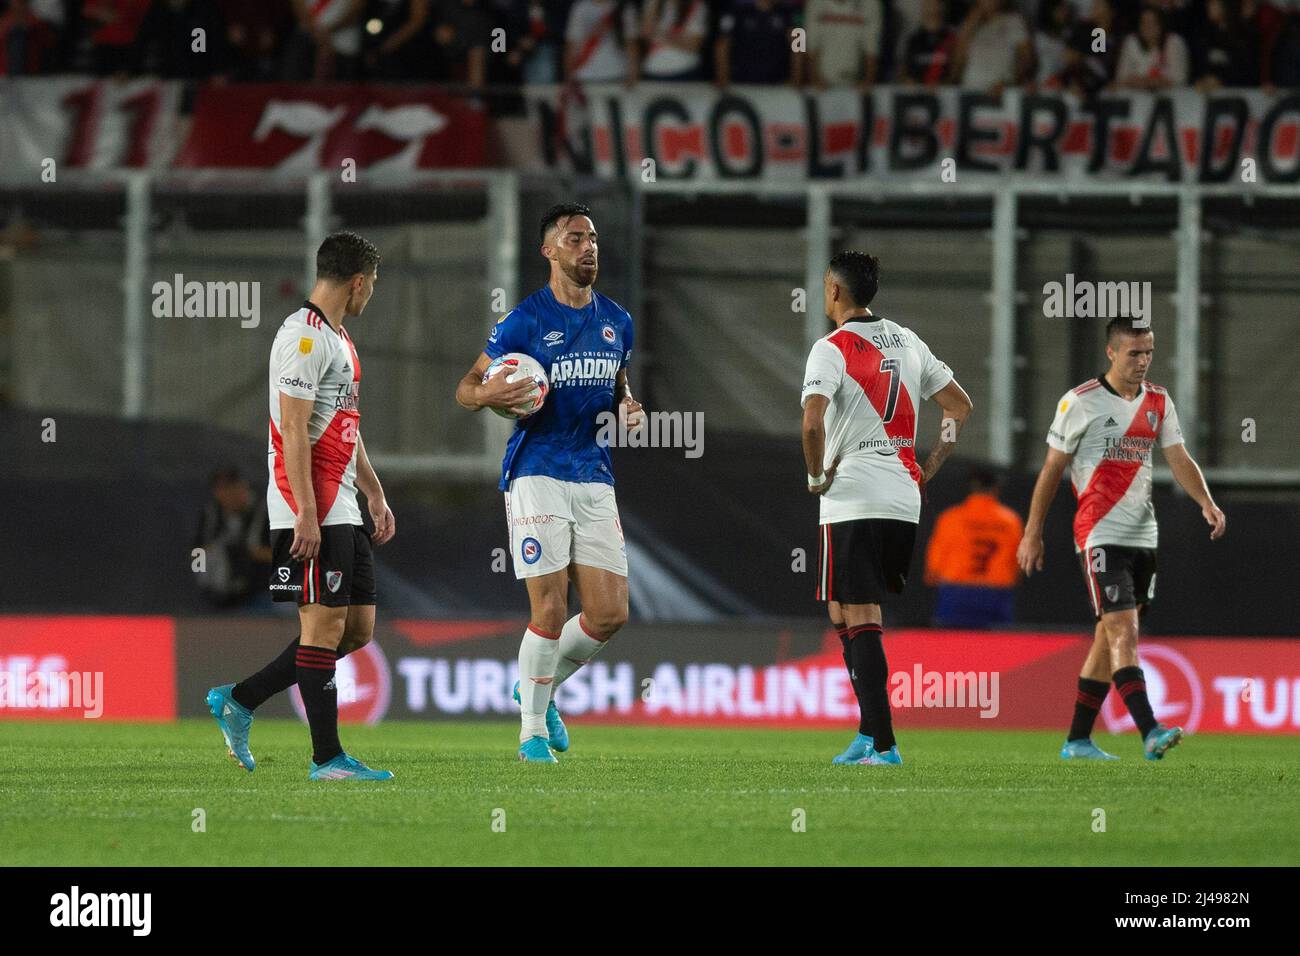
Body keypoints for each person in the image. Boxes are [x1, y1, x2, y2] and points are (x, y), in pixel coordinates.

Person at [206, 232, 398, 782]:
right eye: (373, 286)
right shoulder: (303, 338)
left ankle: (240, 699)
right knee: (321, 631)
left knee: (357, 629)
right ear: (358, 282)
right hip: (310, 506)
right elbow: (291, 429)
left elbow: (346, 426)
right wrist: (305, 515)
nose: (371, 295)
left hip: (343, 502)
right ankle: (327, 759)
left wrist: (375, 491)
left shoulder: (341, 338)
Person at [455, 203, 643, 763]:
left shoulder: (619, 320)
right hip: (536, 471)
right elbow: (466, 387)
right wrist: (487, 394)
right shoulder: (525, 321)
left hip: (593, 473)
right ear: (549, 250)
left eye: (593, 238)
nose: (589, 247)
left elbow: (618, 382)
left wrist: (628, 405)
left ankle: (536, 685)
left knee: (611, 614)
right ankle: (532, 731)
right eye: (575, 238)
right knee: (550, 610)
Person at [1016, 317, 1226, 762]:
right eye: (1134, 353)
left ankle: (1077, 740)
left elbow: (1178, 456)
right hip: (1099, 532)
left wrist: (1205, 501)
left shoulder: (1158, 400)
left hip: (1143, 534)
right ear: (1111, 353)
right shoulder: (1081, 402)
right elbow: (1053, 469)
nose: (1143, 361)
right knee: (1123, 629)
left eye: (1148, 352)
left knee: (1105, 637)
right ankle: (1149, 730)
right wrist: (1033, 530)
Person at [801, 251, 973, 767]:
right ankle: (865, 730)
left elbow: (812, 425)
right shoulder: (908, 340)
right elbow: (958, 407)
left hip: (853, 493)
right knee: (842, 610)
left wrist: (815, 477)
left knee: (860, 613)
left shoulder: (830, 348)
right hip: (903, 497)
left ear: (834, 291)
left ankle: (885, 744)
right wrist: (933, 463)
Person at [924, 465, 1022, 628]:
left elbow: (934, 567)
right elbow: (1019, 563)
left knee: (952, 647)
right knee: (997, 649)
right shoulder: (1010, 521)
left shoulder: (951, 518)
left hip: (956, 592)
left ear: (973, 487)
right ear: (996, 488)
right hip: (997, 593)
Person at [193, 466, 271, 609]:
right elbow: (197, 553)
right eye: (222, 490)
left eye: (232, 488)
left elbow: (282, 556)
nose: (228, 494)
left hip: (262, 592)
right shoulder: (211, 514)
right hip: (217, 593)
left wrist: (249, 553)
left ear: (244, 486)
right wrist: (202, 574)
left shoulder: (266, 510)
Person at [715, 0, 803, 87]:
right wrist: (722, 79)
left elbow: (799, 46)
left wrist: (796, 81)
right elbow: (722, 45)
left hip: (777, 83)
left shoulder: (791, 11)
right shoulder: (736, 9)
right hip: (741, 82)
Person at [951, 0, 1033, 93]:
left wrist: (1008, 82)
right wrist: (969, 26)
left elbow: (1026, 59)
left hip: (1000, 92)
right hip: (970, 92)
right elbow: (956, 66)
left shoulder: (1014, 21)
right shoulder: (968, 24)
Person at [805, 0, 884, 88]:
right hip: (822, 83)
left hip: (856, 82)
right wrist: (814, 79)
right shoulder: (815, 3)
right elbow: (810, 44)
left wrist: (868, 80)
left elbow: (872, 44)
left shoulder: (870, 3)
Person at [1115, 6, 1189, 89]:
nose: (1148, 27)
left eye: (1153, 22)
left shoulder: (1174, 41)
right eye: (1144, 23)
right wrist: (1135, 81)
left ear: (1161, 24)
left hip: (1170, 95)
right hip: (1135, 94)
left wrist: (1155, 82)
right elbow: (1121, 77)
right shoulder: (1130, 41)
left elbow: (1180, 78)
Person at [640, 0, 709, 81]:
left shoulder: (696, 5)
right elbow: (646, 34)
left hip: (686, 70)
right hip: (652, 70)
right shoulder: (653, 3)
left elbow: (693, 46)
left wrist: (659, 37)